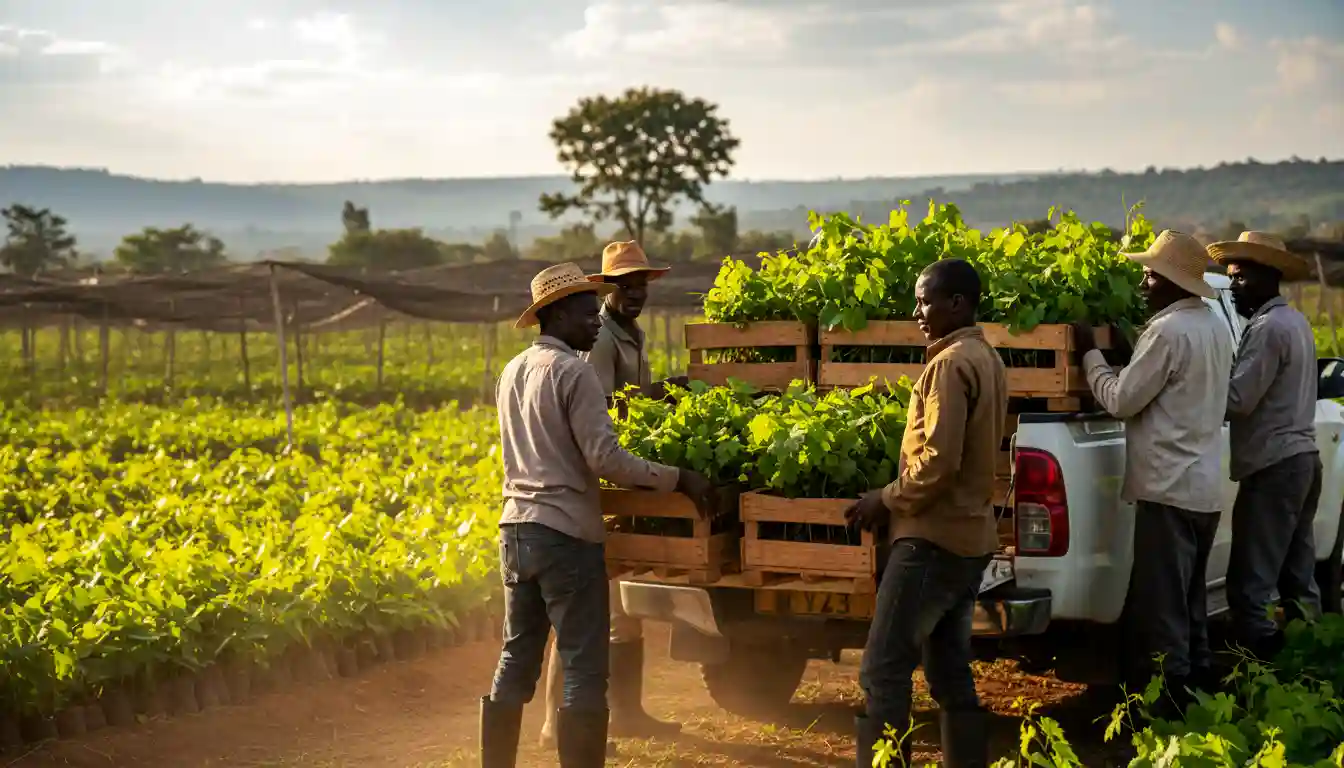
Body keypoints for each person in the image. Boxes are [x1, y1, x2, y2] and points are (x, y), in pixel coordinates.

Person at [479, 262, 715, 768]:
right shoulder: (574, 372)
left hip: (515, 530)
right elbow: (606, 459)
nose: (595, 323)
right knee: (584, 665)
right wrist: (678, 478)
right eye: (587, 314)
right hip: (565, 533)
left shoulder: (512, 371)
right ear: (558, 314)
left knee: (516, 656)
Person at [845, 258, 1006, 768]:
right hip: (970, 540)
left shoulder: (949, 365)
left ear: (957, 303)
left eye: (925, 301)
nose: (917, 312)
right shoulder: (987, 356)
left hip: (932, 541)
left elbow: (937, 462)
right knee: (949, 670)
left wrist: (885, 499)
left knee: (882, 669)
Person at [1070, 230, 1233, 710]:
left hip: (1168, 489)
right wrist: (1130, 352)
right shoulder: (1213, 326)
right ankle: (1200, 693)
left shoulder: (1168, 332)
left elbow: (1121, 400)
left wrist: (1090, 354)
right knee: (1190, 603)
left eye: (1150, 275)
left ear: (1172, 281)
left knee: (1162, 608)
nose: (1143, 284)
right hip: (1202, 488)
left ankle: (1170, 705)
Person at [538, 241, 688, 748]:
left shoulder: (631, 333)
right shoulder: (600, 339)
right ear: (607, 289)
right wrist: (659, 394)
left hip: (624, 480)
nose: (636, 292)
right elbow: (600, 408)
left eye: (641, 283)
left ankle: (626, 712)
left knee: (620, 608)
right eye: (626, 285)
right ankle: (553, 724)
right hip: (603, 481)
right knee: (583, 613)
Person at [1209, 231, 1321, 661]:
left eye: (1240, 278)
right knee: (1298, 581)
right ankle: (1309, 669)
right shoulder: (1296, 322)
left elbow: (1238, 400)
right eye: (1230, 278)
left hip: (1274, 467)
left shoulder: (1267, 328)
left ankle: (1262, 672)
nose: (1233, 287)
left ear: (1268, 277)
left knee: (1249, 589)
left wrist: (1195, 385)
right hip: (1301, 461)